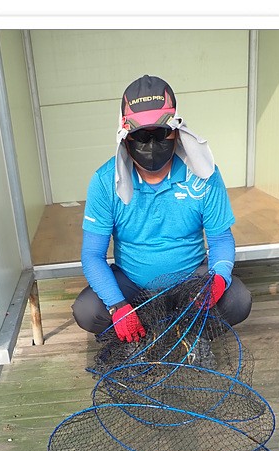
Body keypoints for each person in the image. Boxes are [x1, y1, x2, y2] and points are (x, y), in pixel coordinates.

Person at [72, 74, 252, 343]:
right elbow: (92, 255)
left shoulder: (203, 174)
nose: (151, 144)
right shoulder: (105, 181)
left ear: (176, 131)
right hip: (133, 285)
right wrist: (117, 306)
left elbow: (221, 240)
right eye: (140, 135)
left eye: (160, 133)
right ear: (126, 137)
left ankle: (192, 336)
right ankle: (136, 332)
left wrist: (218, 280)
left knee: (237, 300)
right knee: (88, 311)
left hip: (191, 281)